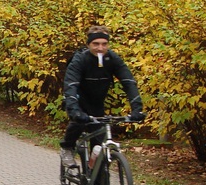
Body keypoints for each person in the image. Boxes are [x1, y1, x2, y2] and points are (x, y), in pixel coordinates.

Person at [59, 25, 144, 165]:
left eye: (104, 44)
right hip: (79, 100)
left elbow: (128, 82)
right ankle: (67, 148)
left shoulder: (113, 59)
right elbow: (71, 86)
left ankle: (98, 179)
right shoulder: (80, 60)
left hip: (97, 102)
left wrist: (137, 109)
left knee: (100, 148)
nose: (100, 48)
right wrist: (74, 110)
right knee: (77, 123)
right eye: (96, 44)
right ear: (88, 44)